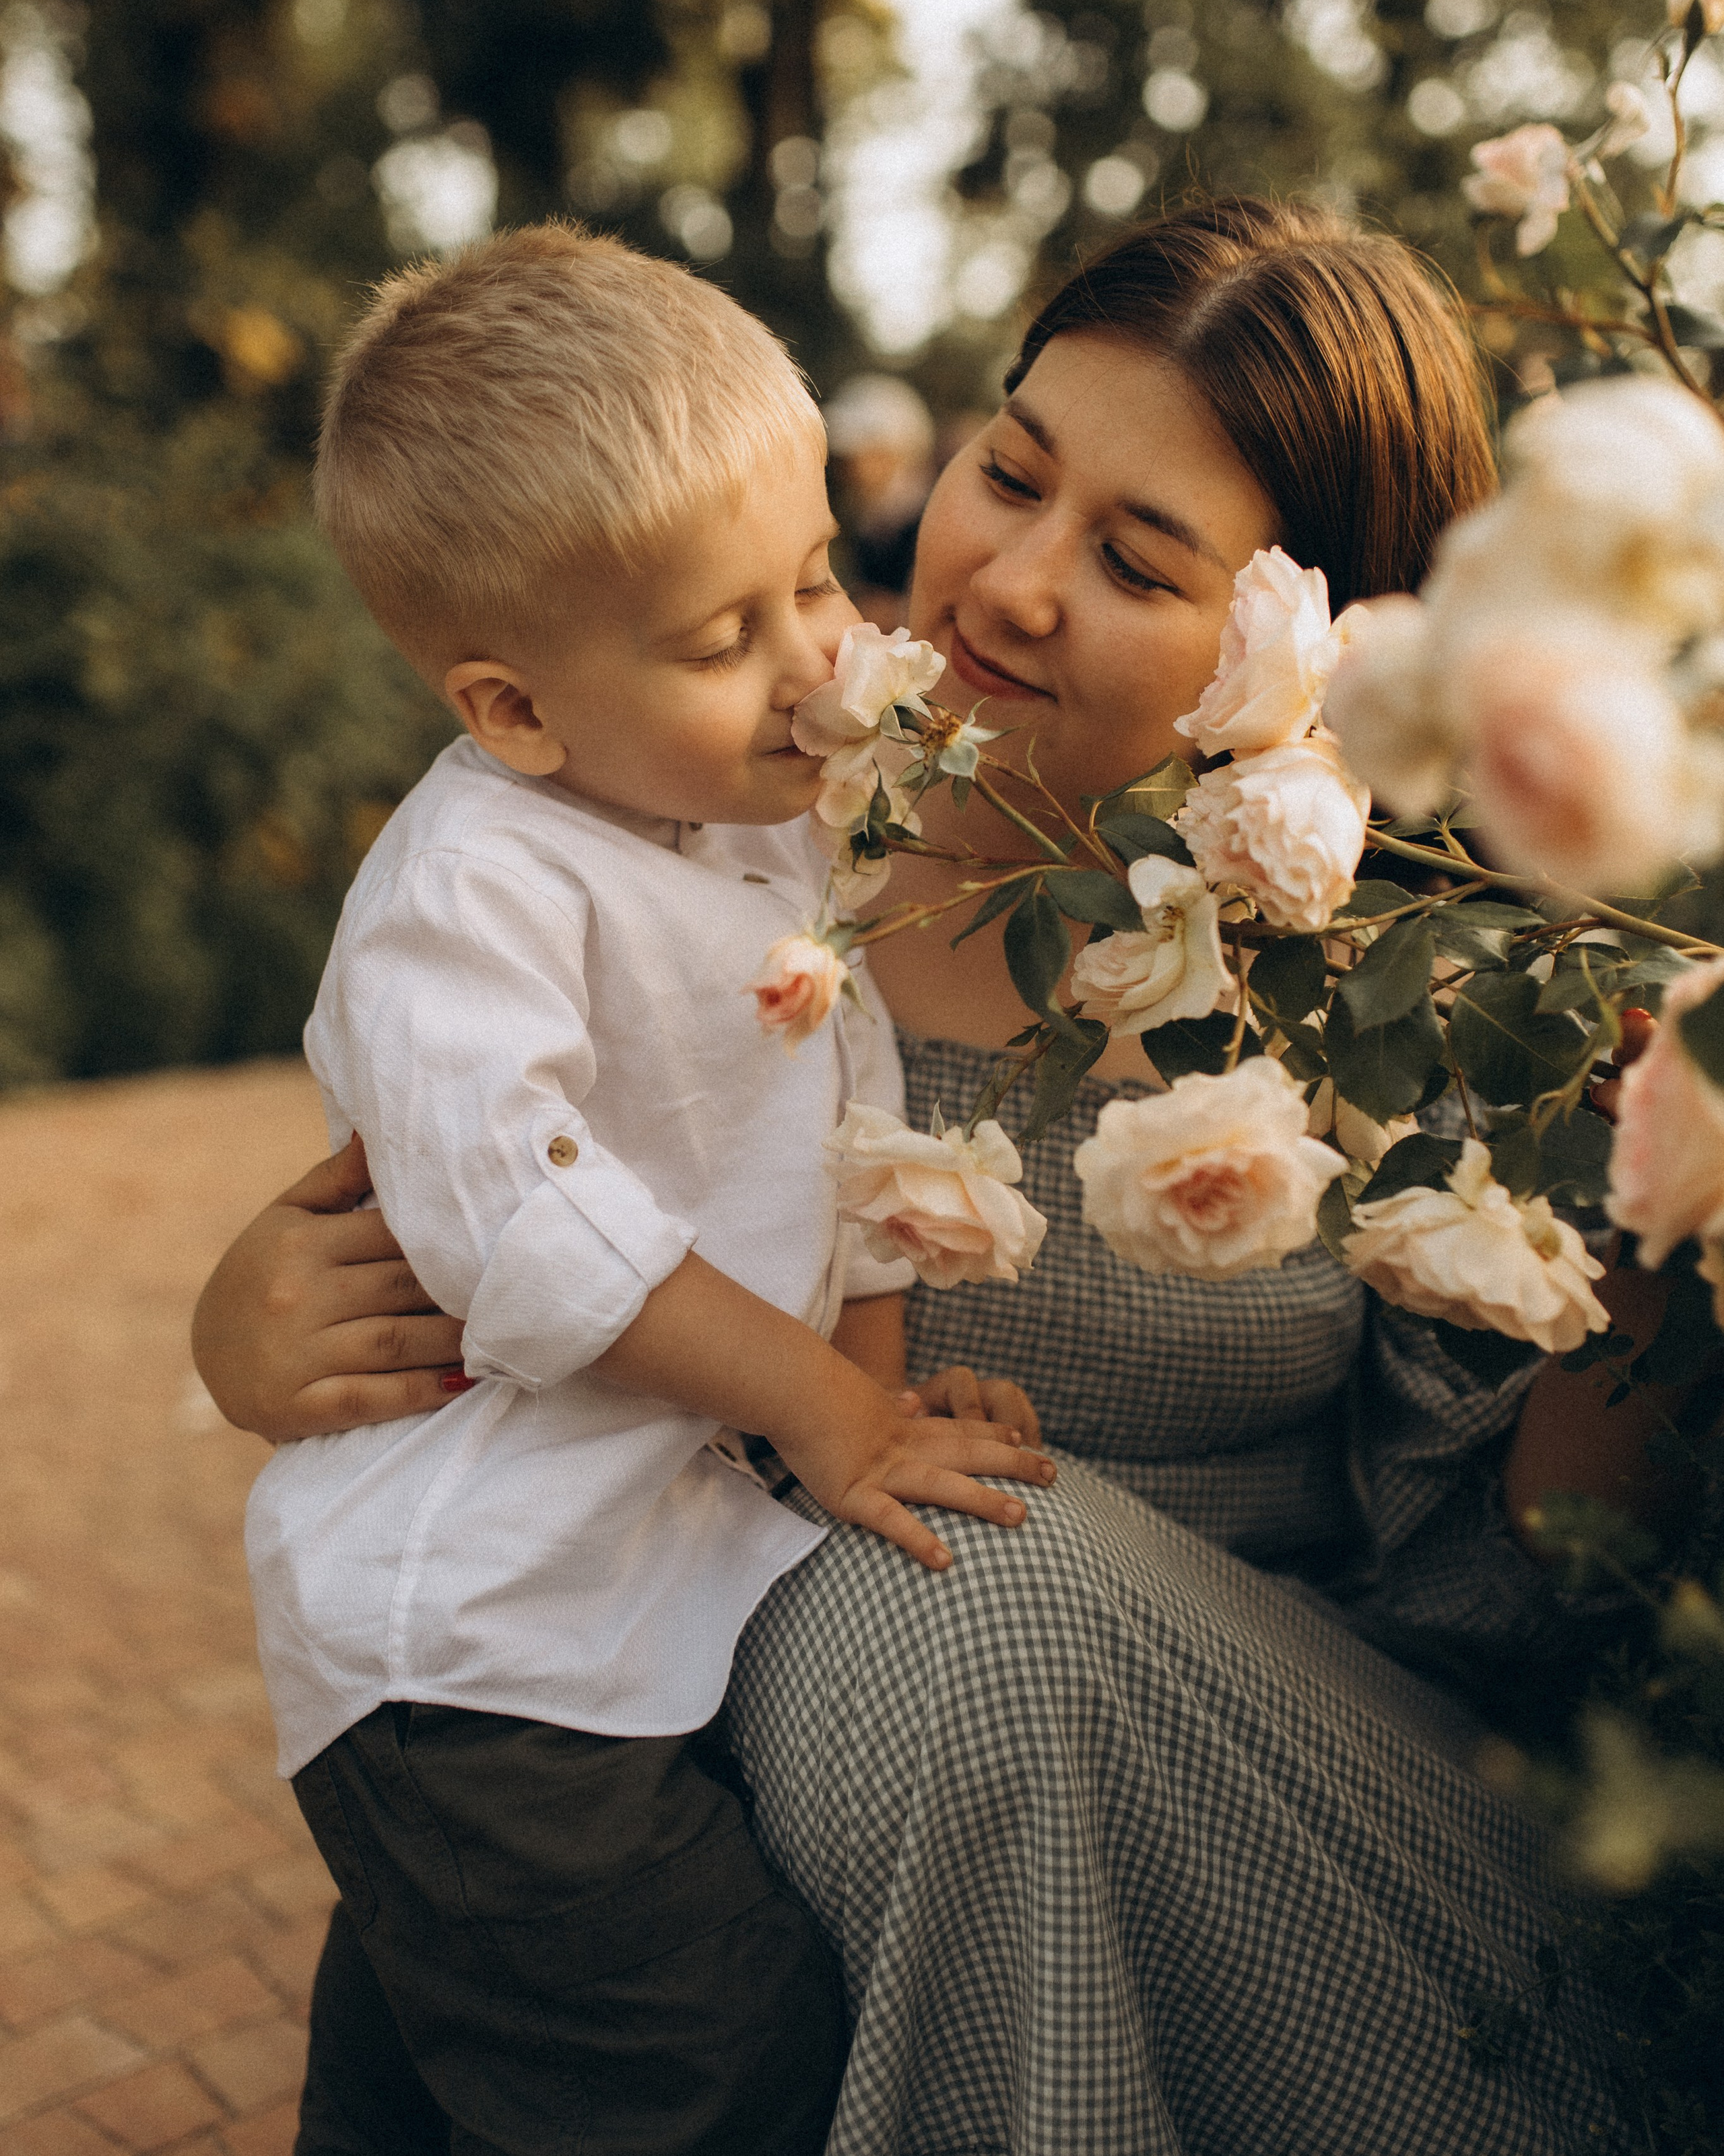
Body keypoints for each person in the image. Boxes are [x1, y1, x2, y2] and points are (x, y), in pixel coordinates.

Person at [193, 201, 1682, 2154]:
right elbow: (488, 1161)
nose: (1010, 581)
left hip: (1232, 1789)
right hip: (683, 1739)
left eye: (1140, 556)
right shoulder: (738, 791)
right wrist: (251, 1325)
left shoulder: (1412, 999)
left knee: (979, 1606)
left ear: (1326, 646)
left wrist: (1666, 1226)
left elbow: (1497, 1599)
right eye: (1011, 470)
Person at [246, 223, 1051, 2156]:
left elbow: (846, 1116)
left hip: (618, 1620)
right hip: (476, 1664)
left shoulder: (754, 826)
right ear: (513, 708)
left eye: (814, 583)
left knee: (434, 2094)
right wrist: (822, 1415)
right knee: (713, 2080)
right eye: (722, 639)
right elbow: (520, 1235)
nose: (815, 670)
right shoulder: (475, 895)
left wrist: (882, 1371)